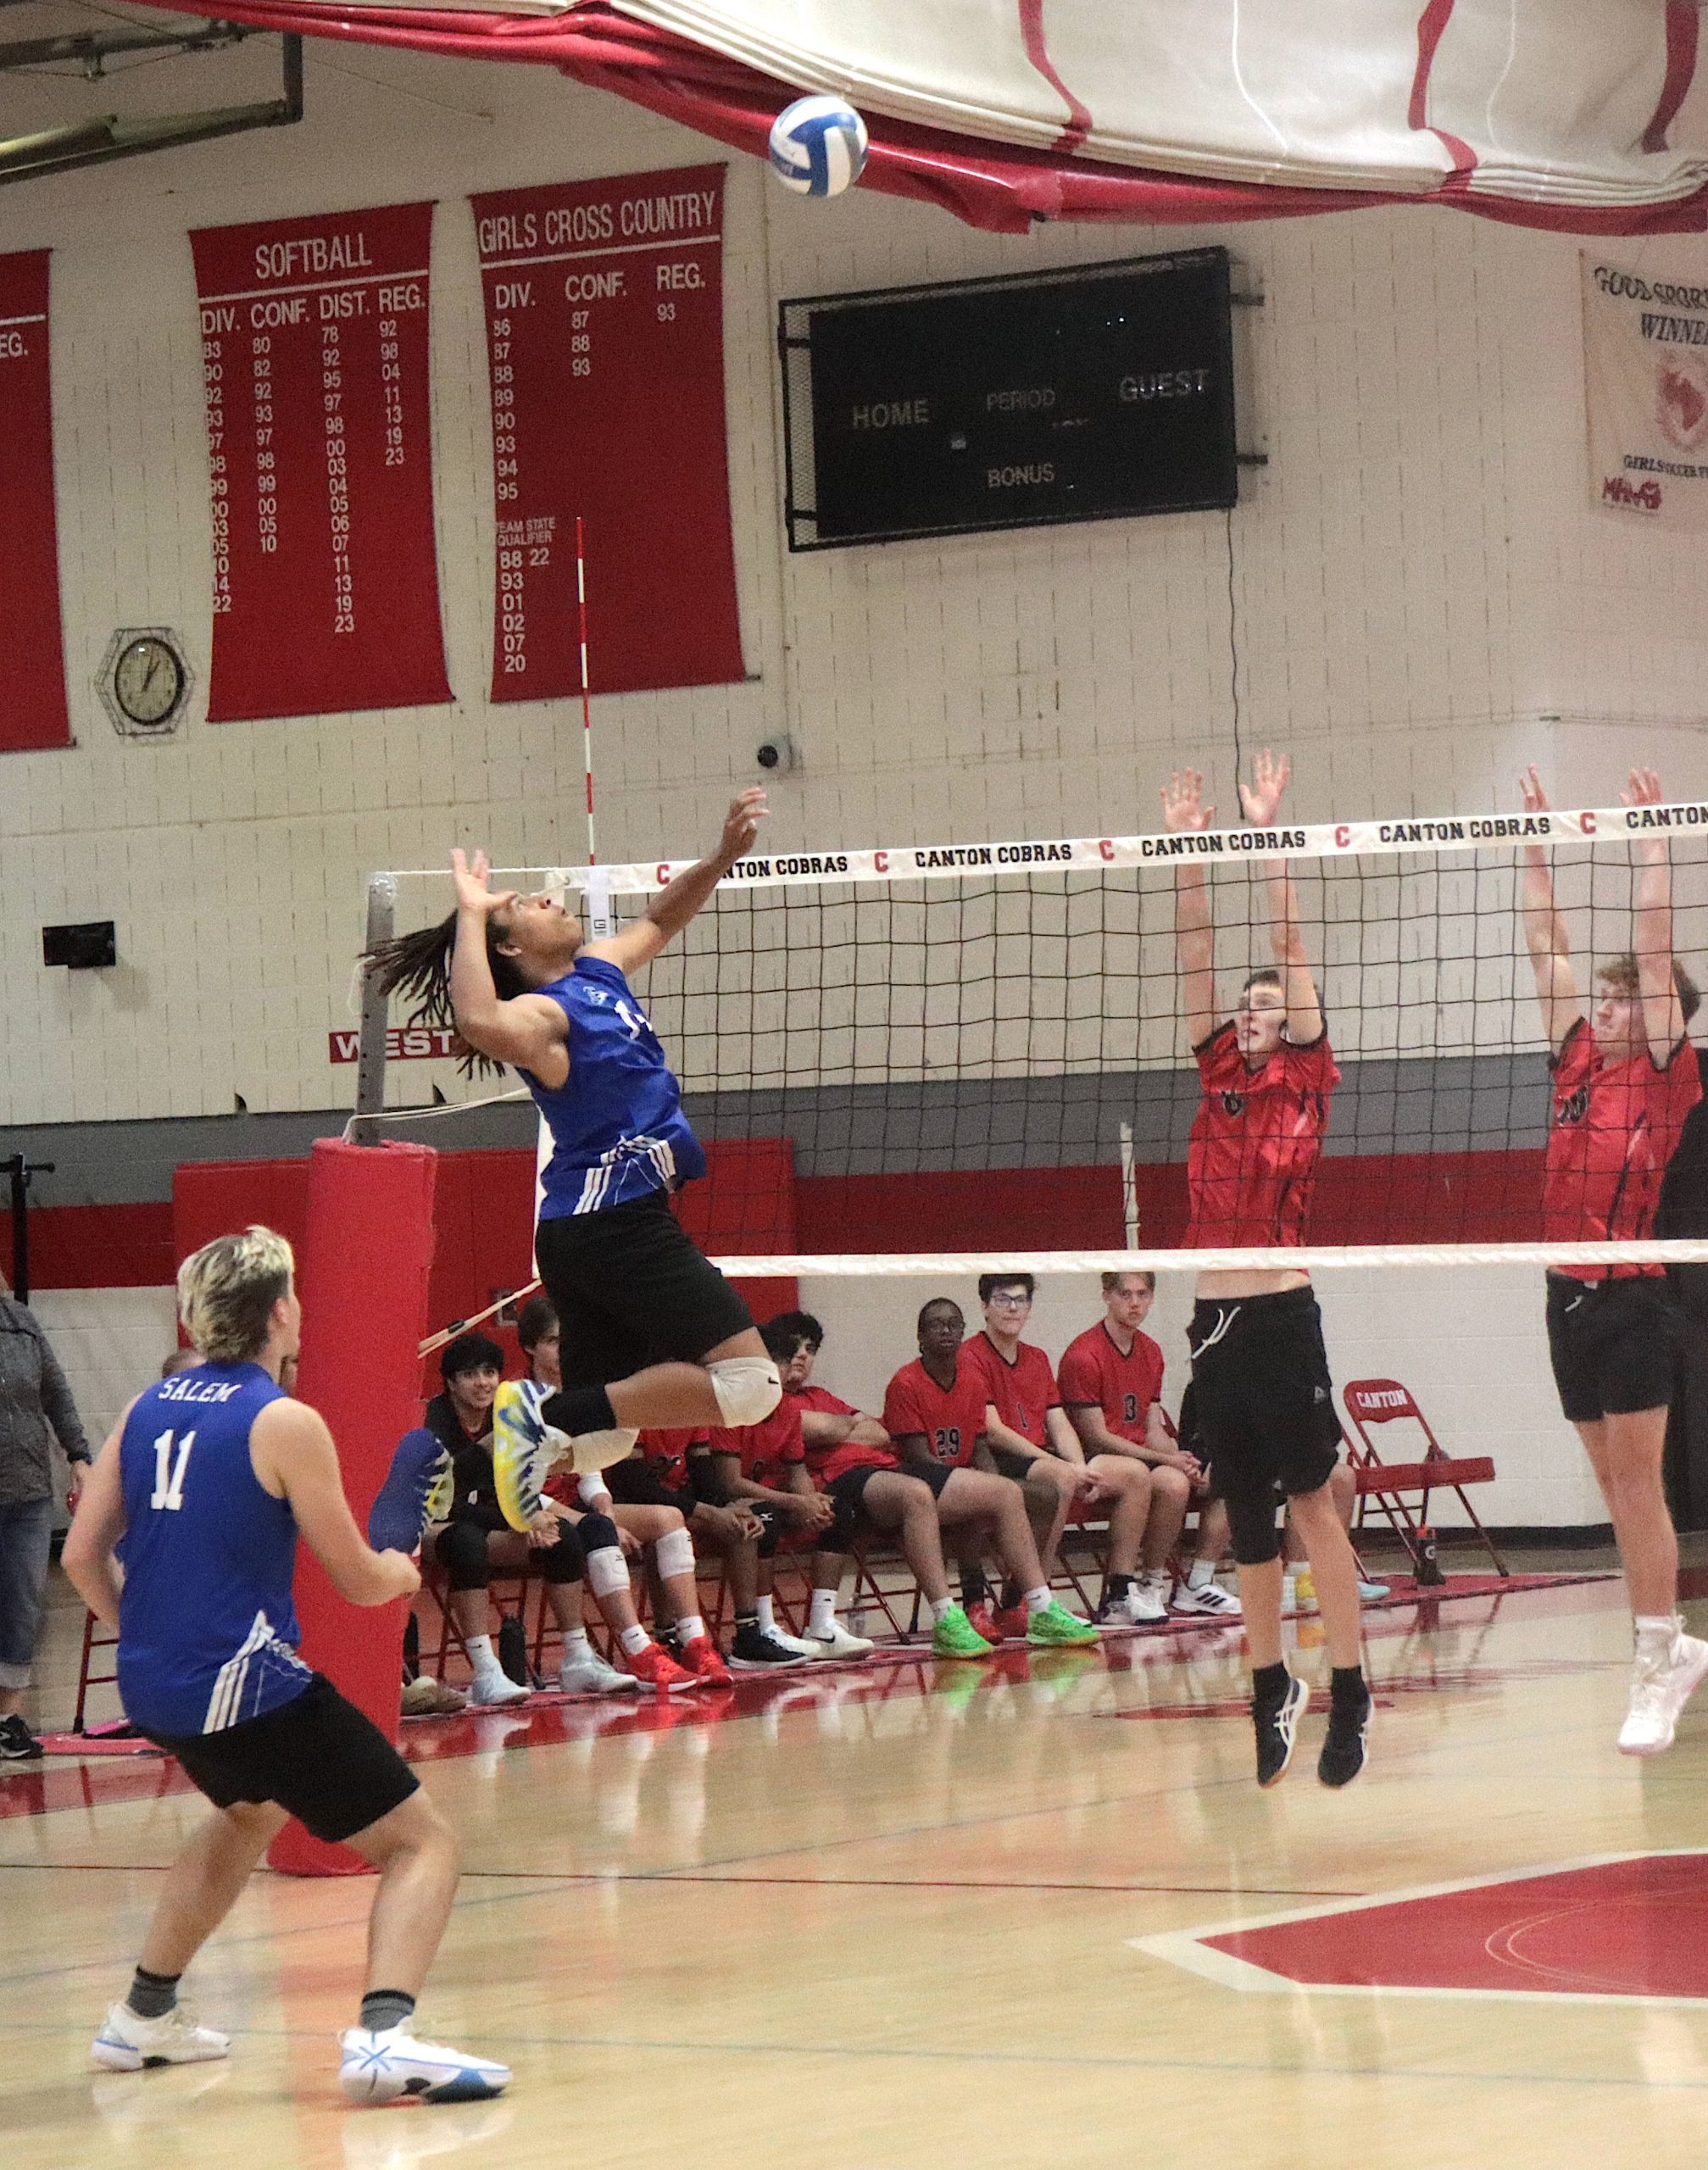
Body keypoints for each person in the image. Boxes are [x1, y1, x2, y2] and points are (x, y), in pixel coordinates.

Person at [62, 1227, 509, 2103]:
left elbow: (83, 1555)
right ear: (279, 1311)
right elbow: (355, 1576)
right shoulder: (283, 1420)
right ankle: (385, 2038)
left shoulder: (145, 1406)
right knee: (423, 1844)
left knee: (246, 1813)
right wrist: (401, 1569)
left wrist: (148, 1639)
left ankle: (143, 2015)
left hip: (152, 1682)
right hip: (246, 1683)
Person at [366, 793, 784, 1530]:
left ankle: (442, 1464)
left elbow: (659, 920)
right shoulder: (546, 1020)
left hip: (592, 1230)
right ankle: (535, 1416)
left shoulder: (596, 973)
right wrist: (469, 912)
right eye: (528, 903)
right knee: (752, 1385)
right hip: (611, 1225)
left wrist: (720, 858)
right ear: (510, 949)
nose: (552, 898)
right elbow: (478, 1019)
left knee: (602, 1442)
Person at [1163, 750, 1370, 1789]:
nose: (1249, 1011)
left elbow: (1288, 944)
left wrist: (1264, 831)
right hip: (1212, 1325)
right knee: (1243, 1521)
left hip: (1282, 1314)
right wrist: (1191, 846)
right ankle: (1266, 1687)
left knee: (1309, 1503)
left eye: (1265, 1002)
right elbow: (1193, 950)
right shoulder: (1216, 1073)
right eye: (1242, 1005)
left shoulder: (1307, 1075)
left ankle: (1350, 1686)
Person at [1518, 764, 1708, 1753]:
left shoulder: (1668, 1078)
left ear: (1661, 1010)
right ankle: (1664, 1641)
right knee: (1611, 1485)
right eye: (1603, 997)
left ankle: (1657, 1651)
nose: (1605, 1005)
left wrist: (1648, 850)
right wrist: (1534, 847)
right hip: (1564, 1295)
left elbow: (1654, 946)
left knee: (1636, 1487)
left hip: (1636, 1295)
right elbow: (1541, 944)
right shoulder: (1578, 1060)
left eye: (1623, 997)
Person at [763, 1314, 1096, 1655]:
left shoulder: (820, 1395)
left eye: (811, 1348)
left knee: (1006, 1492)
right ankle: (948, 1619)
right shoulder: (767, 1402)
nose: (803, 1355)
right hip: (841, 1482)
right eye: (793, 1348)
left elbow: (878, 1433)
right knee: (917, 1495)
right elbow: (817, 1429)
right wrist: (844, 1427)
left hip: (886, 1469)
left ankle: (1038, 1608)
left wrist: (834, 1428)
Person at [512, 1295, 738, 1681]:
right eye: (553, 1342)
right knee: (598, 1529)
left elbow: (591, 1469)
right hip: (527, 1511)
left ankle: (695, 1642)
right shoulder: (518, 1400)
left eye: (568, 1342)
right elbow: (518, 1487)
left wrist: (605, 1509)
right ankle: (639, 1649)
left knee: (668, 1518)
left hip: (576, 1506)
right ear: (530, 1346)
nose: (563, 1351)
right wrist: (600, 1523)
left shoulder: (582, 1393)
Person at [882, 1298, 1100, 1644]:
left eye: (954, 1324)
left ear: (963, 1331)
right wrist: (986, 1488)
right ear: (920, 1336)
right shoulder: (905, 1383)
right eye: (937, 1324)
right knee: (982, 1500)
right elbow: (918, 1458)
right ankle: (975, 1604)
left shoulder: (970, 1380)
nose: (946, 1330)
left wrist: (994, 1482)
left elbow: (980, 1446)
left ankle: (1016, 1599)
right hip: (917, 1483)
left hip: (962, 1476)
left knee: (1044, 1495)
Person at [960, 1273, 1149, 1632]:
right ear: (985, 1307)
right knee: (1060, 1479)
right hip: (995, 1459)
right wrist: (1059, 1465)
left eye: (1021, 1299)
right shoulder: (971, 1355)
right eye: (1003, 1299)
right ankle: (1030, 1600)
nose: (1013, 1307)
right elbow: (993, 1430)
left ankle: (1122, 1593)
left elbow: (1059, 1422)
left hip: (1039, 1457)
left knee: (1133, 1475)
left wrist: (1080, 1466)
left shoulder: (1037, 1358)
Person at [1059, 1271, 1242, 1623]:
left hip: (1139, 1457)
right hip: (1092, 1460)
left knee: (1194, 1478)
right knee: (1149, 1475)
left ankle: (1160, 1585)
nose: (1135, 1303)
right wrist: (1164, 1458)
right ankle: (1120, 1594)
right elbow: (1095, 1436)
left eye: (1142, 1294)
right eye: (1125, 1294)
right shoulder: (1083, 1355)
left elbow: (1152, 1427)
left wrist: (1181, 1459)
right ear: (1107, 1297)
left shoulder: (1151, 1351)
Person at [0, 1277, 92, 1761]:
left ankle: (5, 1718)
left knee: (22, 1605)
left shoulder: (22, 1323)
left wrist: (80, 1457)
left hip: (28, 1494)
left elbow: (56, 1391)